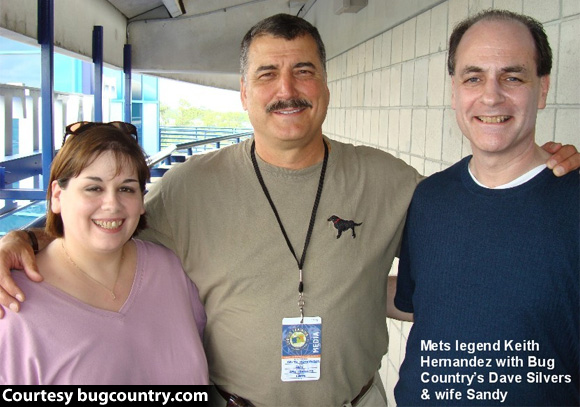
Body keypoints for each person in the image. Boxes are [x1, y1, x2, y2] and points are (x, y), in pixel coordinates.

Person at [0, 14, 577, 406]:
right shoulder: (189, 187)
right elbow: (106, 220)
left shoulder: (391, 182)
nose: (288, 88)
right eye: (267, 74)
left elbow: (473, 223)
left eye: (304, 70)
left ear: (325, 86)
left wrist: (538, 172)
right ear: (244, 93)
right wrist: (23, 239)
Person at [393, 10, 579, 406]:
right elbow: (418, 303)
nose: (491, 95)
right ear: (454, 91)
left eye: (512, 77)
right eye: (473, 77)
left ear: (542, 89)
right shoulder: (429, 199)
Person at [0, 121, 209, 385]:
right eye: (94, 188)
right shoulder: (12, 304)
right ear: (56, 196)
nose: (112, 204)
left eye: (126, 188)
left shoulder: (171, 270)